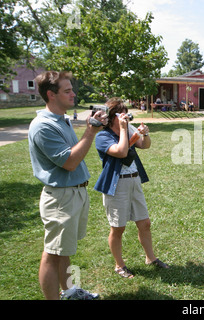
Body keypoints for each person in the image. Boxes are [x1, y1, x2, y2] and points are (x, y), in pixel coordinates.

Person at [28, 71, 107, 300]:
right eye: (67, 91)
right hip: (61, 198)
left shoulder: (61, 120)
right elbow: (70, 162)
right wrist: (91, 131)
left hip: (73, 194)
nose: (73, 93)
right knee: (52, 253)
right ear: (51, 95)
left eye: (71, 89)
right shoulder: (43, 126)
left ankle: (70, 292)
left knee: (63, 250)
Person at [94, 98, 168, 279]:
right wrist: (124, 130)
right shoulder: (102, 137)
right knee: (118, 228)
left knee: (145, 223)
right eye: (121, 113)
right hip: (116, 184)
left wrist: (145, 134)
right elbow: (121, 152)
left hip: (134, 181)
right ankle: (119, 265)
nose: (125, 116)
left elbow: (145, 145)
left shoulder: (127, 129)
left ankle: (151, 258)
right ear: (112, 117)